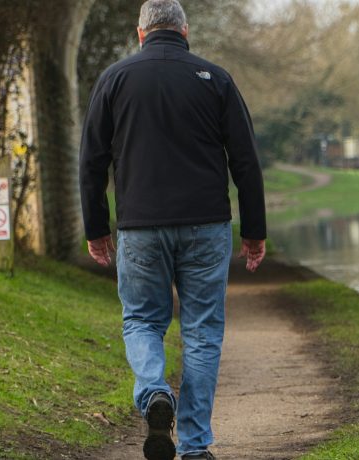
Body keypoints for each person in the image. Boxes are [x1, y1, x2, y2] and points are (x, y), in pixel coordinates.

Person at [79, 1, 266, 458]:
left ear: (140, 34)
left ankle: (153, 393)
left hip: (140, 227)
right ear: (185, 31)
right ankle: (196, 446)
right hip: (206, 226)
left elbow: (91, 162)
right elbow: (245, 160)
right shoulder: (215, 79)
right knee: (202, 331)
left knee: (142, 319)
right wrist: (255, 230)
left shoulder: (114, 79)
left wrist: (96, 227)